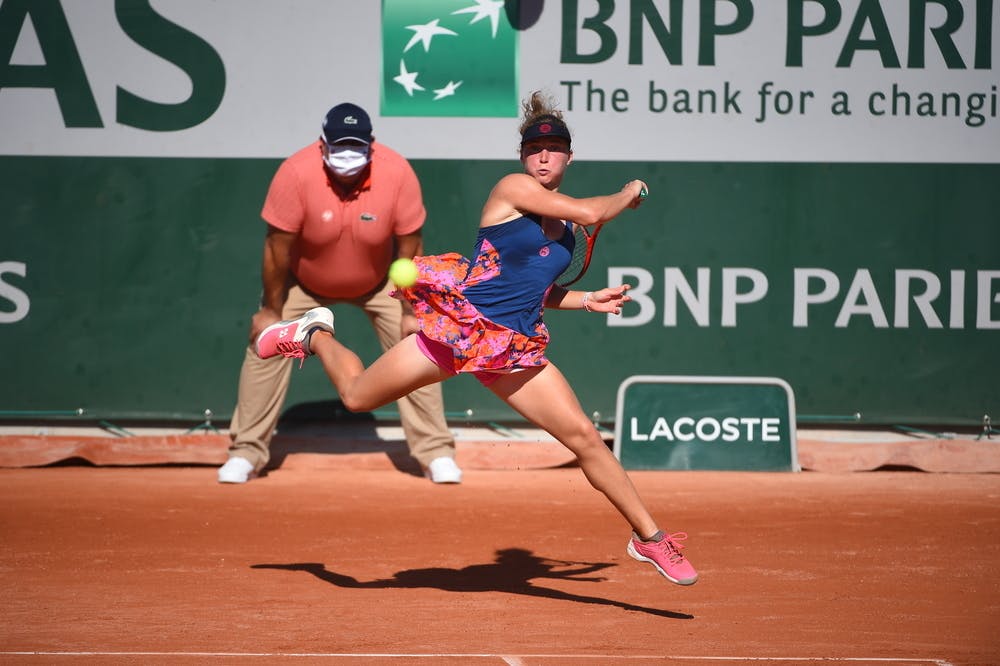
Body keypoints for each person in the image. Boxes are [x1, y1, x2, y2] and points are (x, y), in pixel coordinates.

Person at [252, 92, 698, 585]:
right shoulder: (513, 189)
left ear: (570, 155)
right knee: (357, 398)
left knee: (585, 438)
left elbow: (535, 292)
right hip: (459, 331)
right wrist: (629, 191)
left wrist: (587, 300)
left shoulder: (566, 231)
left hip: (512, 349)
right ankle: (314, 334)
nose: (544, 156)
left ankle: (650, 539)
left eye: (554, 148)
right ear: (523, 156)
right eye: (535, 148)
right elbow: (595, 212)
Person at [218, 102, 462, 485]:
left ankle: (435, 452)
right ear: (322, 145)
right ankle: (246, 452)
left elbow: (410, 248)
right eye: (339, 146)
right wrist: (271, 310)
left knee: (420, 345)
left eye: (357, 147)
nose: (348, 155)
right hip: (305, 283)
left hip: (382, 283)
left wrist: (413, 309)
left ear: (371, 145)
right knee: (264, 342)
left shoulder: (397, 173)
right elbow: (276, 249)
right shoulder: (295, 174)